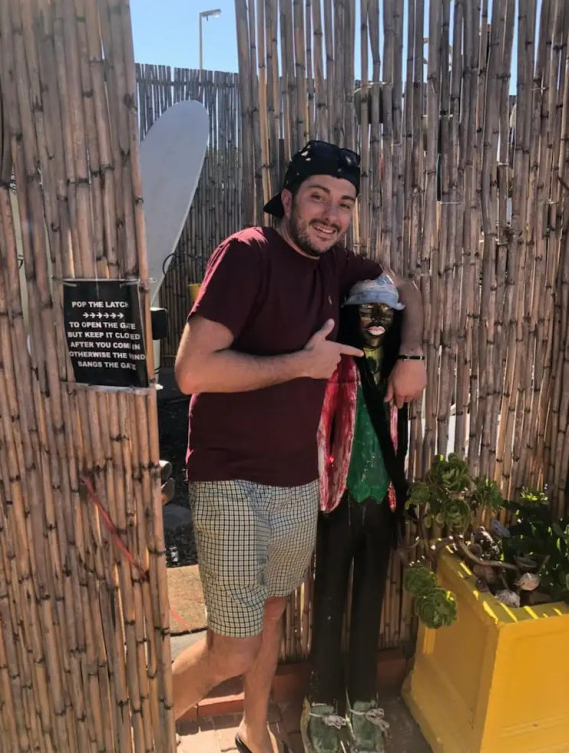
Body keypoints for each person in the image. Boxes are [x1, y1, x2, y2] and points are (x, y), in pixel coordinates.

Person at [173, 140, 426, 753]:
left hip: (298, 482)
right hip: (231, 480)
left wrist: (413, 353)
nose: (331, 214)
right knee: (231, 650)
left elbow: (407, 287)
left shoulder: (335, 266)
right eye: (318, 196)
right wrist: (300, 365)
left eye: (344, 202)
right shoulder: (247, 254)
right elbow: (192, 370)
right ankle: (133, 727)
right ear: (287, 199)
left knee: (271, 616)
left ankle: (253, 731)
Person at [302, 275, 411, 753]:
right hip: (340, 500)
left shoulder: (399, 370)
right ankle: (320, 700)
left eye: (385, 312)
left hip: (382, 501)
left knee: (370, 601)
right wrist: (324, 491)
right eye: (367, 311)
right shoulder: (339, 368)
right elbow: (320, 431)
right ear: (352, 315)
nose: (377, 321)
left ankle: (363, 697)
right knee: (328, 602)